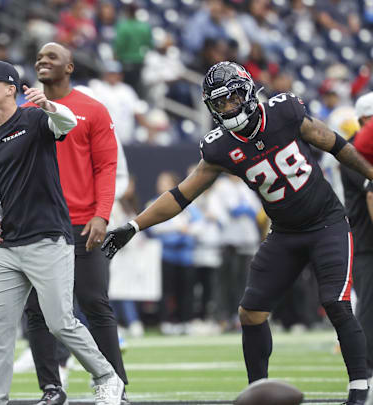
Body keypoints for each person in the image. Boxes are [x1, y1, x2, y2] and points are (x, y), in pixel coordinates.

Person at [103, 61, 373, 405]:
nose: (228, 108)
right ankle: (257, 389)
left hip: (327, 224)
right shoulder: (218, 148)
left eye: (232, 98)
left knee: (336, 303)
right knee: (251, 312)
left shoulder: (284, 112)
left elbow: (336, 144)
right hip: (285, 233)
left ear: (246, 92)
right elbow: (181, 195)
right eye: (219, 103)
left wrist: (371, 174)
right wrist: (134, 225)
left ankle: (359, 388)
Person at [0, 58, 123, 405]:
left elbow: (65, 124)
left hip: (48, 239)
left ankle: (107, 376)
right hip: (9, 246)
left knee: (60, 323)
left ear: (11, 89)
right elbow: (1, 186)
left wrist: (49, 105)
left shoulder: (36, 118)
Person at [20, 42, 127, 404]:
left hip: (82, 225)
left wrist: (102, 214)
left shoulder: (93, 110)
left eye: (52, 57)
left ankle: (116, 385)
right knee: (37, 312)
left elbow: (107, 167)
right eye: (39, 57)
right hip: (36, 226)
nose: (43, 61)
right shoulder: (23, 110)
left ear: (69, 67)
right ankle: (51, 388)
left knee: (95, 304)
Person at [341, 93, 373, 396]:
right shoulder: (355, 151)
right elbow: (371, 193)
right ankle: (366, 368)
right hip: (367, 239)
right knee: (370, 303)